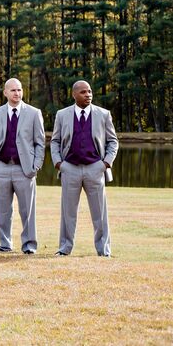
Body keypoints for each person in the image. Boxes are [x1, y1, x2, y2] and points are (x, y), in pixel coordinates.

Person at [50, 80, 118, 257]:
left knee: (100, 213)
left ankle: (104, 250)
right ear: (74, 95)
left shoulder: (103, 114)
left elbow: (113, 141)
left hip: (95, 168)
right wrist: (59, 163)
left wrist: (105, 163)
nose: (88, 94)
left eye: (89, 91)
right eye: (83, 92)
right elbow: (55, 141)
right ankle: (64, 248)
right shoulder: (62, 115)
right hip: (69, 168)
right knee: (68, 213)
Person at [0, 78, 45, 254]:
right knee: (3, 211)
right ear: (5, 92)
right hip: (2, 167)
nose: (17, 93)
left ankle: (29, 245)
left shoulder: (34, 113)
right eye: (13, 90)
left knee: (27, 211)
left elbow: (40, 143)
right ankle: (5, 244)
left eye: (19, 90)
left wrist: (35, 166)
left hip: (24, 169)